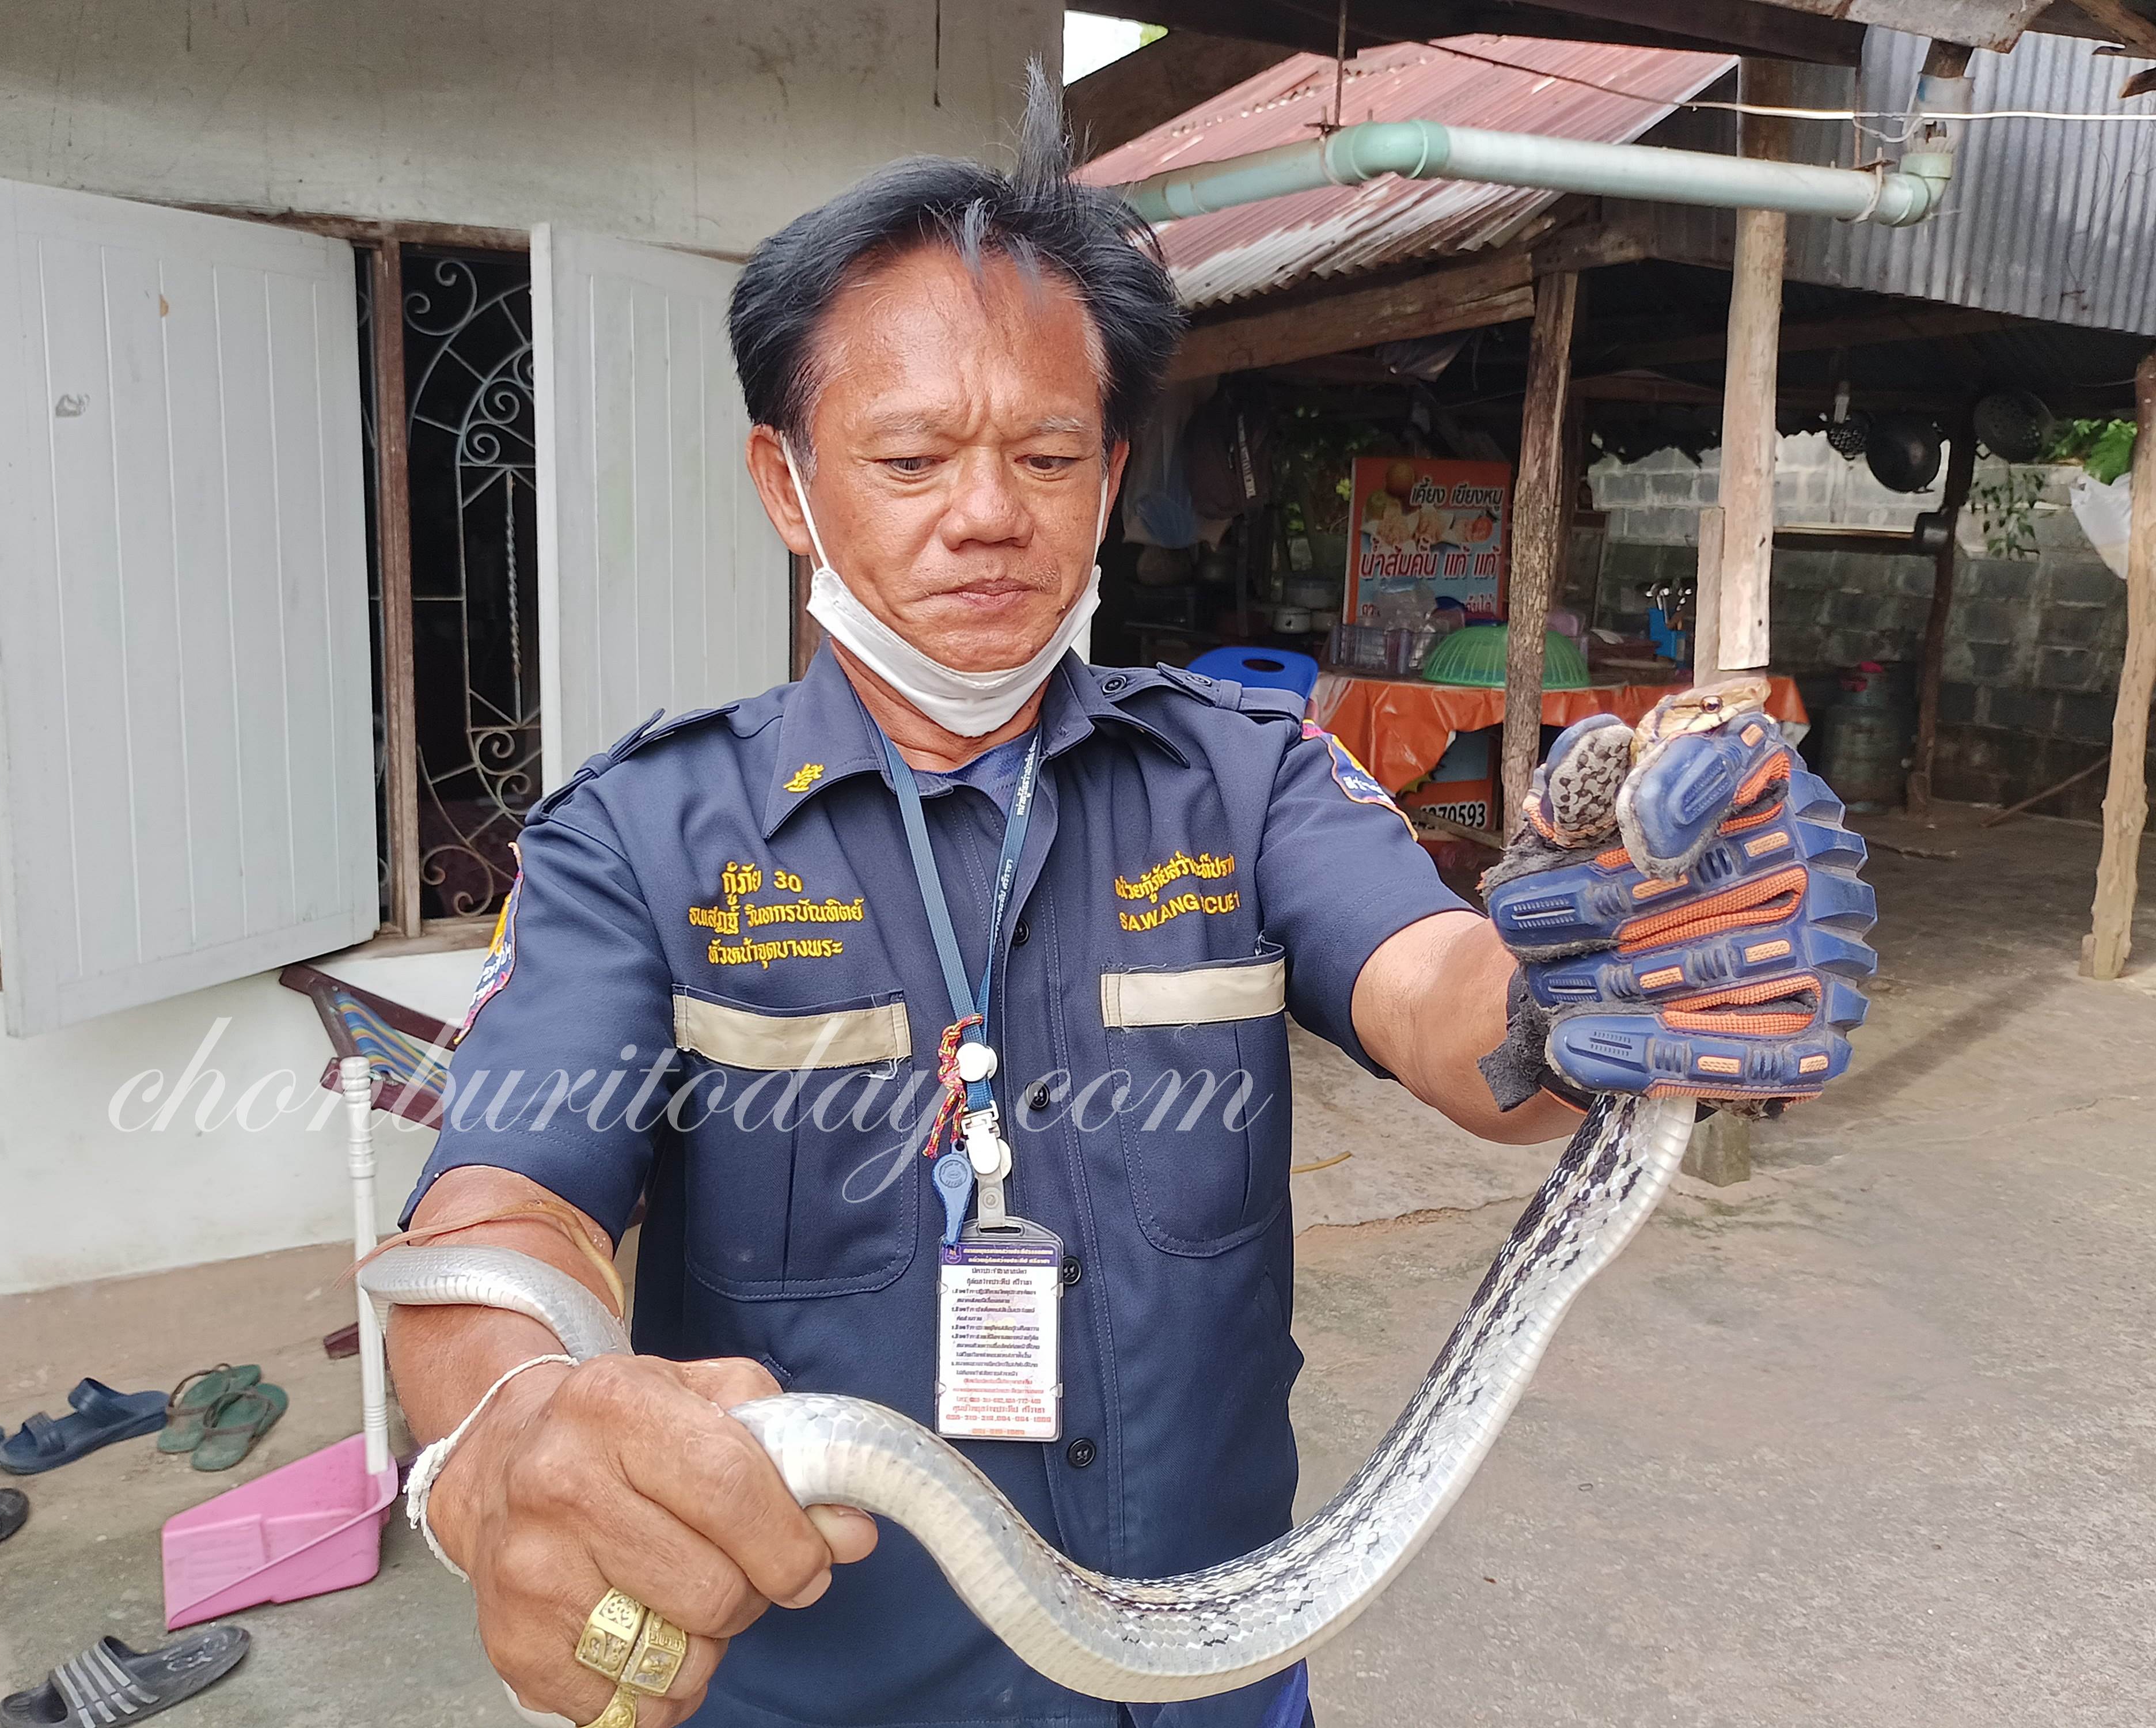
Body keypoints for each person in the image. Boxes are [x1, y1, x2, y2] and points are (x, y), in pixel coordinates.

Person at [386, 76, 1874, 1728]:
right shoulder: (639, 838)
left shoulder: (1245, 778)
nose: (987, 515)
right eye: (909, 458)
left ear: (1108, 479)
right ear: (787, 486)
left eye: (1046, 454)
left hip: (1210, 1684)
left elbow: (1446, 997)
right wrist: (509, 1425)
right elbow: (502, 1216)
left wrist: (1605, 990)